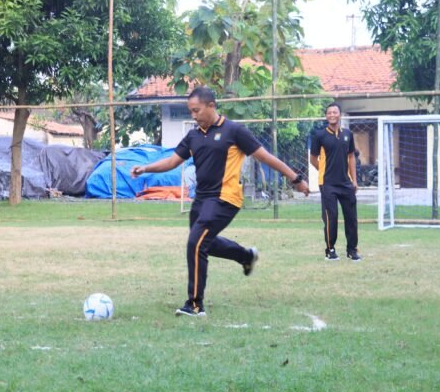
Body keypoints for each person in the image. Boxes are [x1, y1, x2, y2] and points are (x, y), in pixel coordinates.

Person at [131, 87, 310, 317]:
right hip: (202, 200)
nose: (193, 116)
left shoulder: (234, 131)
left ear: (211, 106)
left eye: (196, 110)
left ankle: (195, 305)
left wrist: (295, 178)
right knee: (206, 244)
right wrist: (145, 168)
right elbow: (172, 162)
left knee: (195, 244)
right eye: (190, 111)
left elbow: (266, 157)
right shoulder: (193, 135)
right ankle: (246, 256)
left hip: (226, 198)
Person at [309, 102, 361, 261]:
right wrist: (325, 171)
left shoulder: (347, 134)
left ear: (340, 115)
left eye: (335, 112)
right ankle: (330, 249)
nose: (332, 115)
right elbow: (313, 159)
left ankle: (352, 250)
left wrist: (354, 180)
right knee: (331, 217)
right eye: (329, 112)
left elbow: (351, 156)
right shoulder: (319, 135)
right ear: (326, 116)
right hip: (328, 184)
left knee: (351, 217)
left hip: (346, 183)